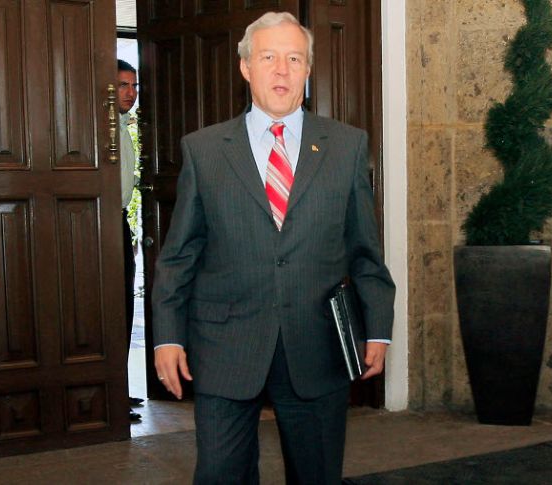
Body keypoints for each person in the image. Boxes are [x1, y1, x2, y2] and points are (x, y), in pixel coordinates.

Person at [151, 12, 395, 484]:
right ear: (246, 68)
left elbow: (366, 250)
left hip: (316, 344)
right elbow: (179, 254)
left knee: (317, 473)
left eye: (293, 58)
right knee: (221, 473)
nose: (281, 70)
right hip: (225, 345)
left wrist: (378, 330)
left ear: (307, 70)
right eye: (268, 57)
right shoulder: (204, 150)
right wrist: (167, 336)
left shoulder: (346, 147)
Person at [117, 59, 144, 421]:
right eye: (123, 85)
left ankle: (119, 389)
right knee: (112, 307)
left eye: (135, 86)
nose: (130, 93)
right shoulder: (100, 126)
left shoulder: (123, 126)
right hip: (100, 223)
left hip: (119, 220)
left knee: (125, 306)